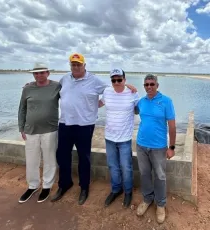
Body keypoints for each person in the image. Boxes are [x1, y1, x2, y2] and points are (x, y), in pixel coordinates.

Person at [51, 53, 137, 205]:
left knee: (84, 158)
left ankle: (84, 188)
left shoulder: (95, 81)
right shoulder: (64, 79)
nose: (76, 67)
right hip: (65, 123)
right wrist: (33, 85)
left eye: (78, 64)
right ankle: (64, 184)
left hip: (85, 125)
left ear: (84, 65)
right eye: (73, 64)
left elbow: (112, 89)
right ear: (70, 65)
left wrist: (128, 87)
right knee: (62, 156)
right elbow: (52, 90)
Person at [135, 74, 176, 224]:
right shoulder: (141, 102)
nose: (149, 87)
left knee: (160, 176)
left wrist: (171, 147)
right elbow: (132, 109)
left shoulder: (166, 101)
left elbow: (172, 126)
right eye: (146, 84)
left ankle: (160, 204)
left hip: (159, 147)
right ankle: (147, 199)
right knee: (145, 174)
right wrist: (130, 91)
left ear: (157, 85)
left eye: (152, 84)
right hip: (141, 145)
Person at [18, 63, 61, 203]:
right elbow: (22, 109)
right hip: (30, 130)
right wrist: (21, 127)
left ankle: (47, 186)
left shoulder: (57, 86)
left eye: (42, 72)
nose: (39, 75)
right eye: (36, 73)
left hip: (50, 129)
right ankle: (33, 186)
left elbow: (73, 94)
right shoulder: (27, 88)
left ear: (48, 73)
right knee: (31, 160)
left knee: (49, 160)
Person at [98, 68, 139, 208]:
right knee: (113, 166)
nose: (116, 82)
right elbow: (97, 103)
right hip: (109, 137)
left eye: (119, 79)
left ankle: (128, 192)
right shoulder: (107, 92)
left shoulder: (132, 93)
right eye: (113, 80)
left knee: (126, 167)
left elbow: (139, 109)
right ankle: (116, 190)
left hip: (125, 139)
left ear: (124, 80)